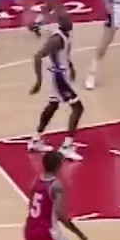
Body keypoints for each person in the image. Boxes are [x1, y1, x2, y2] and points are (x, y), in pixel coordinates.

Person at [26, 12, 84, 162]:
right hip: (59, 79)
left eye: (70, 19)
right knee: (78, 108)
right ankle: (66, 147)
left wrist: (71, 66)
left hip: (59, 75)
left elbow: (64, 55)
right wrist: (38, 82)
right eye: (67, 20)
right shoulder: (56, 39)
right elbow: (38, 56)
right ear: (61, 22)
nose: (71, 22)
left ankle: (36, 139)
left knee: (52, 105)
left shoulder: (65, 34)